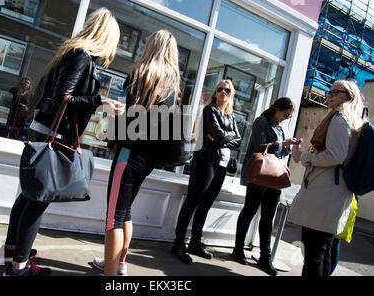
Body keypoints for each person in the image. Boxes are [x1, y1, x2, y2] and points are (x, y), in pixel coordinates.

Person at [1, 7, 123, 276]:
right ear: (106, 36)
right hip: (53, 135)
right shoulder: (81, 56)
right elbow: (62, 99)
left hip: (45, 130)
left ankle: (11, 253)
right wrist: (100, 101)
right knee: (38, 200)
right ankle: (18, 267)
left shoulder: (73, 53)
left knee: (28, 194)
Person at [93, 30, 182, 276]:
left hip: (128, 154)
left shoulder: (140, 74)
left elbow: (124, 116)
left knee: (114, 218)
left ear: (150, 47)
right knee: (126, 212)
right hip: (149, 158)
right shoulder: (173, 84)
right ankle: (118, 264)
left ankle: (111, 275)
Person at [288, 80, 366, 277]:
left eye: (335, 92)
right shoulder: (353, 120)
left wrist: (303, 157)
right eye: (329, 92)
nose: (329, 95)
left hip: (325, 194)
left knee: (314, 254)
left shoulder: (340, 119)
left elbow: (336, 155)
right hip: (332, 194)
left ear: (348, 95)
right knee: (323, 251)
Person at [171, 79, 241, 264]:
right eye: (220, 89)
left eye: (227, 90)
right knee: (193, 202)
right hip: (205, 161)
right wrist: (224, 137)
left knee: (206, 204)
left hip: (221, 164)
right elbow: (218, 135)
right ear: (215, 93)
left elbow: (238, 140)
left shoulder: (231, 116)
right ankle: (178, 244)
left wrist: (222, 138)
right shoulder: (209, 110)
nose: (223, 92)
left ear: (231, 94)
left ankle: (195, 242)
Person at [231, 97, 301, 276]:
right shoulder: (261, 121)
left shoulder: (280, 128)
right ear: (277, 108)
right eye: (285, 114)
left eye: (289, 116)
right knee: (249, 210)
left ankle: (265, 257)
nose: (286, 118)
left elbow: (279, 153)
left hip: (273, 177)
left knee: (268, 218)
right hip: (259, 175)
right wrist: (282, 144)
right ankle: (238, 249)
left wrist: (289, 147)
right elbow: (260, 146)